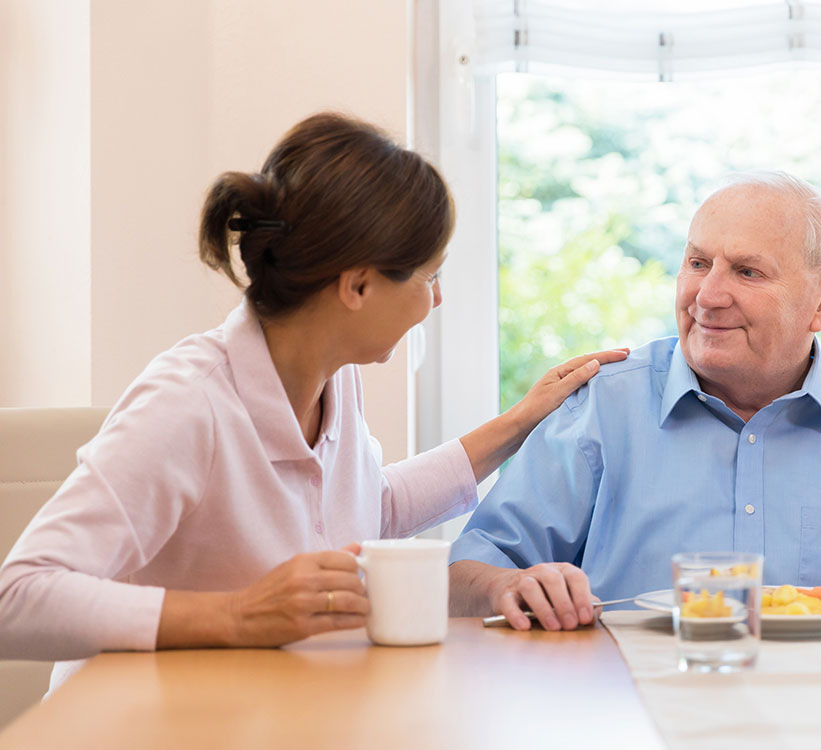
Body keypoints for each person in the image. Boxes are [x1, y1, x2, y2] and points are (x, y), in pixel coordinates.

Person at [0, 112, 626, 689]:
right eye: (429, 276)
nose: (436, 300)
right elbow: (18, 599)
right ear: (357, 285)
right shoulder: (188, 404)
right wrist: (238, 615)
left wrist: (521, 421)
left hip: (262, 709)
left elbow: (368, 505)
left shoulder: (333, 377)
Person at [448, 171, 821, 631]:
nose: (707, 295)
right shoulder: (598, 410)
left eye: (748, 272)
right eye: (698, 262)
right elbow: (464, 573)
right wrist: (505, 588)